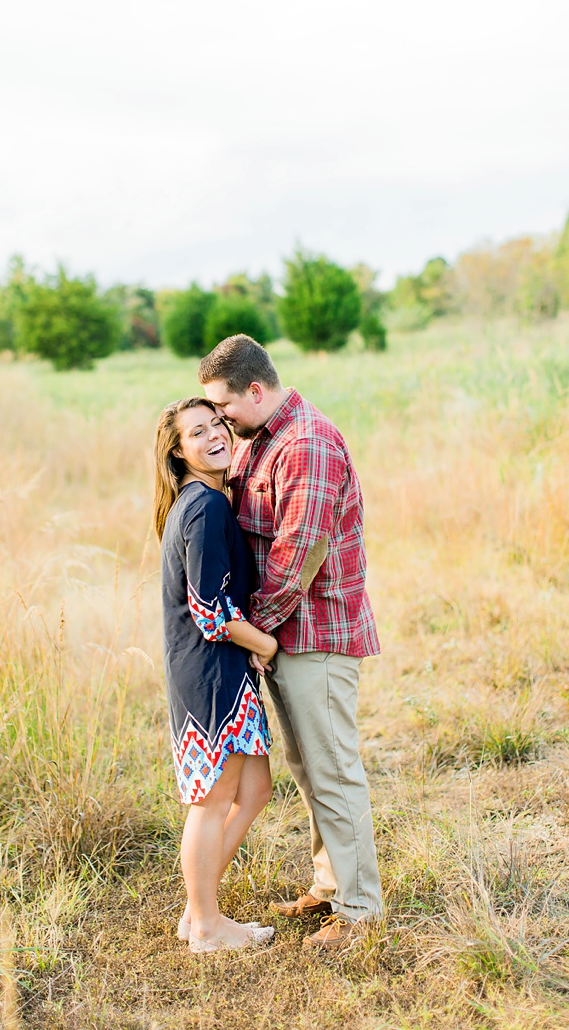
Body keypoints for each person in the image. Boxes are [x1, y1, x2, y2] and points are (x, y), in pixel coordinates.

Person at [198, 334, 384, 951]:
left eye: (224, 408)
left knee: (334, 770)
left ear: (257, 390)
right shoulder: (264, 437)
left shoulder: (307, 444)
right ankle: (331, 889)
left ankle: (361, 913)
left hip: (314, 634)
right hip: (282, 635)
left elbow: (299, 554)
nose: (221, 422)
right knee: (309, 769)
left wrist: (258, 633)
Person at [151, 397, 279, 953]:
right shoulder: (204, 507)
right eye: (196, 433)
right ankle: (206, 925)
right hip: (210, 676)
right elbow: (210, 611)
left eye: (217, 425)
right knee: (213, 797)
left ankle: (196, 909)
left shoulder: (205, 500)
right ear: (180, 453)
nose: (213, 437)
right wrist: (266, 641)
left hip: (221, 669)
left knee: (254, 788)